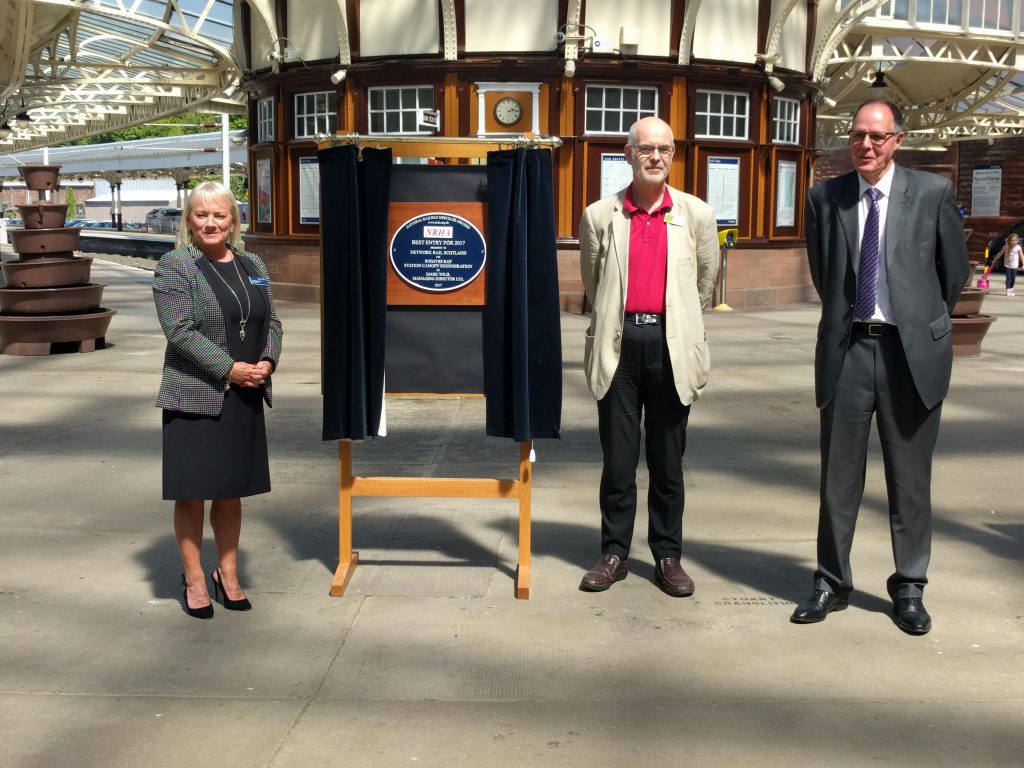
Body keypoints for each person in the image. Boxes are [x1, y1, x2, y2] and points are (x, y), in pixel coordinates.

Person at [792, 99, 968, 634]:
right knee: (837, 478)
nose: (865, 145)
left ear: (897, 140)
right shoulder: (825, 198)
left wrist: (916, 322)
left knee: (910, 480)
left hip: (909, 356)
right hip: (847, 352)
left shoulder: (932, 193)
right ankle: (831, 582)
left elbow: (953, 274)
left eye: (876, 136)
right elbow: (824, 273)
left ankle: (909, 587)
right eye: (857, 135)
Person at [577, 116, 719, 596]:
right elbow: (594, 282)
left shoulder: (697, 214)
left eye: (664, 149)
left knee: (667, 462)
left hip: (671, 348)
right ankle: (614, 553)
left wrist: (676, 320)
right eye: (646, 148)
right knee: (618, 463)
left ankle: (667, 556)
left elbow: (704, 282)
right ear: (628, 154)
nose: (655, 157)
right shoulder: (600, 215)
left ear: (673, 155)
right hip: (618, 349)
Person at [153, 181, 283, 619]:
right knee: (192, 492)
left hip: (245, 393)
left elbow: (273, 322)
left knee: (231, 491)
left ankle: (227, 574)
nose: (210, 223)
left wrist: (267, 361)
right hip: (195, 395)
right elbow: (180, 331)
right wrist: (229, 368)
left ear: (233, 220)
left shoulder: (253, 264)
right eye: (201, 214)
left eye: (219, 215)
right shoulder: (175, 266)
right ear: (189, 220)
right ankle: (193, 578)